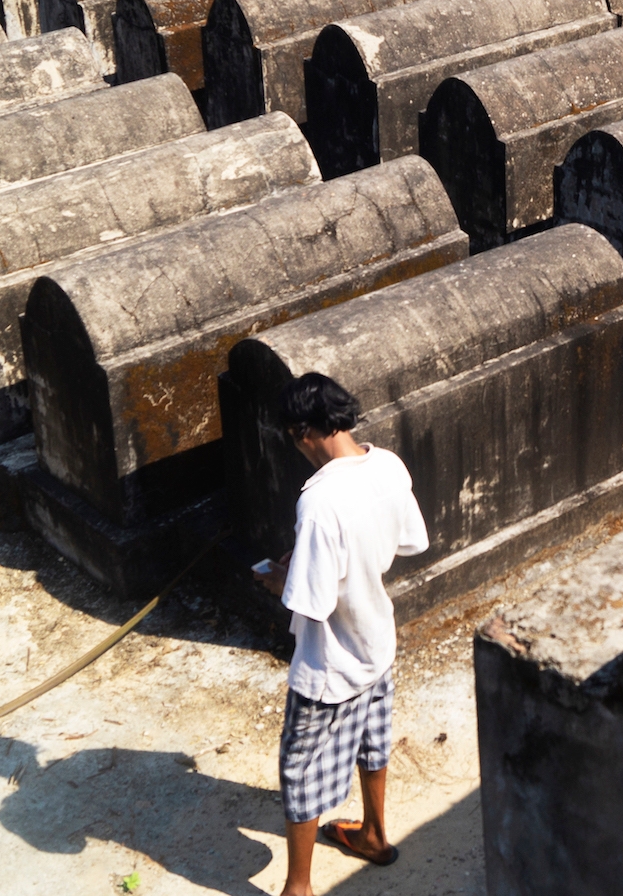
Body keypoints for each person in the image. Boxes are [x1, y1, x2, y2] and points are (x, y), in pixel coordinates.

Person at [255, 372, 428, 896]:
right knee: (373, 739)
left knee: (300, 769)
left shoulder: (319, 501)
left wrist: (278, 578)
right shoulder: (388, 465)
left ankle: (298, 888)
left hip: (329, 663)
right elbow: (407, 541)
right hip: (376, 640)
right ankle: (374, 834)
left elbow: (310, 602)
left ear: (304, 431)